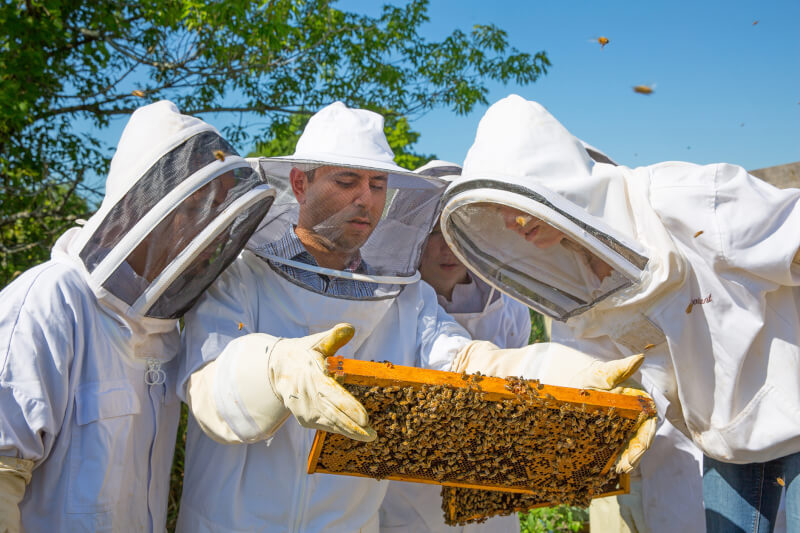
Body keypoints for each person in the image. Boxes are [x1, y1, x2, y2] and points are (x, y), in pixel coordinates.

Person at [174, 102, 654, 532]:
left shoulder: (404, 297)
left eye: (378, 184)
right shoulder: (239, 274)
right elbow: (207, 385)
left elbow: (465, 362)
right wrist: (272, 368)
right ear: (300, 183)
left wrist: (568, 378)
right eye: (347, 182)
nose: (366, 199)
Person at [436, 94, 800, 533]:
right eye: (500, 210)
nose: (514, 222)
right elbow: (627, 373)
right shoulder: (576, 277)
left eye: (521, 200)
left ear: (554, 180)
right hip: (728, 440)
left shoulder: (687, 198)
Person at [0, 100, 276, 532]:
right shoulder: (52, 299)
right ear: (138, 208)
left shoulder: (163, 329)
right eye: (196, 208)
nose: (212, 228)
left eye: (219, 210)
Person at [379, 160, 530, 533]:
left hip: (492, 482)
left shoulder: (511, 307)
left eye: (457, 232)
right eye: (433, 233)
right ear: (411, 238)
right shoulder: (387, 306)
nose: (447, 248)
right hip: (409, 490)